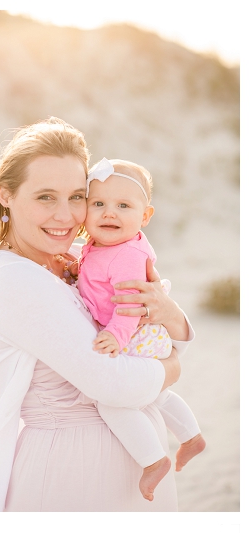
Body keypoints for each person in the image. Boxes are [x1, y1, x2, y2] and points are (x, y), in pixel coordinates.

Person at [0, 117, 194, 512]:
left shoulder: (76, 263)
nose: (66, 216)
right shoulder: (13, 280)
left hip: (131, 466)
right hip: (73, 472)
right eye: (45, 197)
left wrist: (171, 315)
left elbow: (152, 341)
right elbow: (112, 383)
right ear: (6, 195)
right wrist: (173, 368)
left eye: (76, 197)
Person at [79, 157, 206, 501]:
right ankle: (191, 437)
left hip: (136, 333)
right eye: (99, 204)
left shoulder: (127, 255)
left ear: (145, 216)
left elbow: (130, 304)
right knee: (158, 393)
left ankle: (153, 461)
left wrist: (116, 336)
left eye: (123, 205)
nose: (109, 213)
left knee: (111, 402)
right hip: (146, 336)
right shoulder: (107, 245)